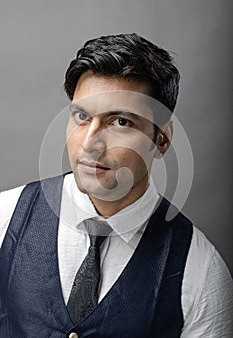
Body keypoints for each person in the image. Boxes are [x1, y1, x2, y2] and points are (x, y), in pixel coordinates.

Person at [0, 33, 232, 338]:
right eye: (81, 116)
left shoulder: (200, 271)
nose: (90, 143)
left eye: (121, 122)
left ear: (162, 139)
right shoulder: (5, 217)